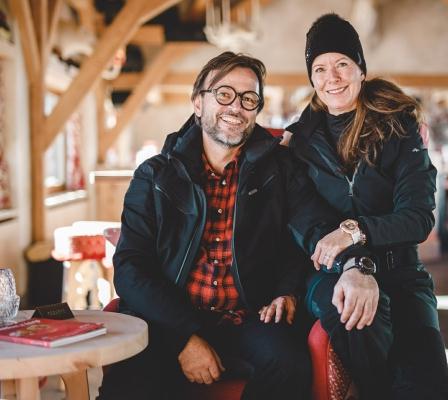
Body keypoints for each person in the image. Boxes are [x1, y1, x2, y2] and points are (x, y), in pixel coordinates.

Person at [98, 51, 353, 400]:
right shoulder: (155, 175)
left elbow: (307, 236)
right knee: (130, 384)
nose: (236, 107)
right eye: (224, 94)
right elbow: (130, 269)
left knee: (289, 365)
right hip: (168, 316)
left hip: (248, 316)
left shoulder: (280, 169)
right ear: (198, 103)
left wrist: (289, 289)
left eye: (249, 98)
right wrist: (183, 337)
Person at [285, 13, 448, 400]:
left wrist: (355, 230)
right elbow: (308, 223)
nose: (332, 77)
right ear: (311, 78)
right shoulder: (299, 144)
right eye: (320, 68)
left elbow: (417, 218)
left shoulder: (399, 129)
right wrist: (352, 263)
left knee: (430, 387)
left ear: (361, 69)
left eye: (342, 64)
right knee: (352, 312)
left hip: (402, 273)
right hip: (329, 273)